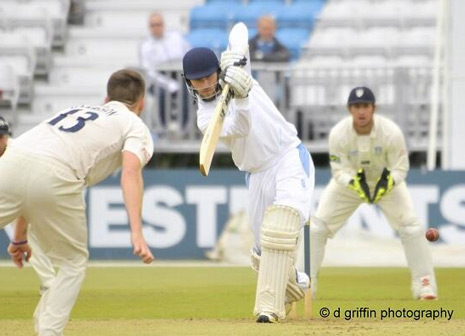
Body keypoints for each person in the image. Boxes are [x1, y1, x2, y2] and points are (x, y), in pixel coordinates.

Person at [0, 69, 155, 335]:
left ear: (106, 98)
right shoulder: (134, 124)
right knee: (72, 263)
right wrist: (137, 233)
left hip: (12, 159)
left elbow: (31, 180)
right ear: (141, 102)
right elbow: (131, 172)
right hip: (58, 174)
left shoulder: (76, 109)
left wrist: (20, 237)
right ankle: (49, 332)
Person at [182, 47, 315, 323]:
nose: (205, 85)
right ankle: (291, 285)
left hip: (287, 155)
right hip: (256, 173)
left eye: (209, 77)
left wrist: (237, 60)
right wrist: (241, 100)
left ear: (217, 72)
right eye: (198, 80)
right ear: (189, 82)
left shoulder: (241, 75)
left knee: (281, 225)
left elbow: (241, 32)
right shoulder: (205, 118)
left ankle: (269, 309)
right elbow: (241, 128)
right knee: (261, 251)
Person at [310, 86, 437, 300]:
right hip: (349, 185)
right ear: (349, 109)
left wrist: (388, 182)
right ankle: (305, 285)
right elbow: (338, 169)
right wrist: (353, 182)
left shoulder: (391, 132)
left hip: (384, 183)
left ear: (373, 108)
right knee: (315, 229)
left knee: (412, 227)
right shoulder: (338, 134)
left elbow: (401, 167)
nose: (361, 111)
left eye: (365, 106)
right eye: (357, 106)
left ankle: (424, 284)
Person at [0, 116, 56, 296]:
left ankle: (50, 285)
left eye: (1, 137)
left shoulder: (17, 155)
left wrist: (18, 238)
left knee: (29, 235)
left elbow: (24, 201)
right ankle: (50, 284)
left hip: (40, 189)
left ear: (6, 137)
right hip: (20, 194)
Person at [139, 12, 191, 130]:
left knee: (188, 91)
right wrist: (169, 85)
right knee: (161, 93)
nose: (157, 28)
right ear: (149, 27)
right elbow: (150, 72)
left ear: (164, 25)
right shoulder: (146, 46)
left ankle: (184, 128)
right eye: (153, 25)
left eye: (159, 24)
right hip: (159, 80)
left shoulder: (176, 38)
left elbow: (188, 54)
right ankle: (164, 129)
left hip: (180, 75)